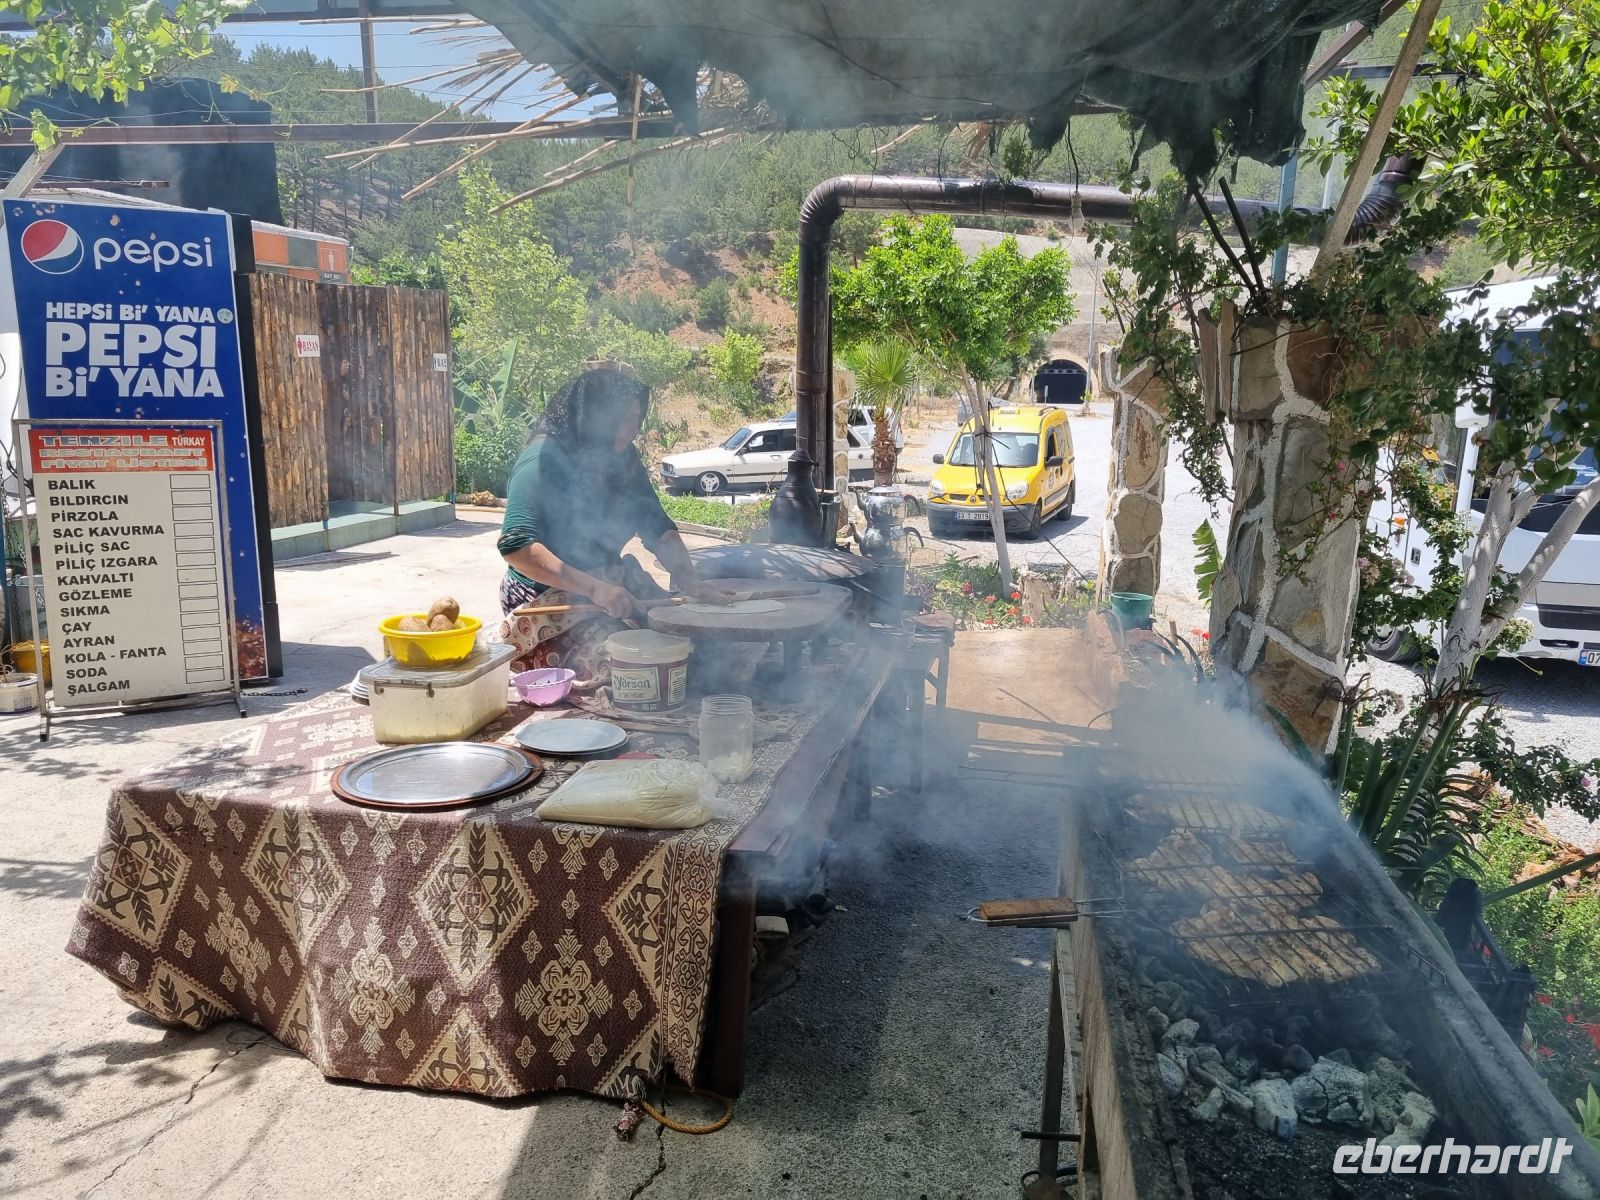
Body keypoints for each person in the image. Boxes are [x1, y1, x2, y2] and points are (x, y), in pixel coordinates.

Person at [495, 363, 725, 680]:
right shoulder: (542, 459)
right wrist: (595, 589)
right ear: (594, 417)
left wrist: (690, 579)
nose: (632, 429)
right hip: (548, 596)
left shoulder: (624, 459)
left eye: (636, 419)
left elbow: (657, 527)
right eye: (622, 419)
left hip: (611, 582)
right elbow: (517, 547)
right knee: (630, 665)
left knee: (693, 644)